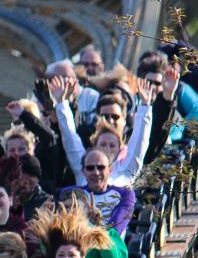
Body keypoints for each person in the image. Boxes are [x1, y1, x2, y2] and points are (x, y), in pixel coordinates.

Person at [49, 75, 153, 213]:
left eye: (112, 145)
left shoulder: (127, 169)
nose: (107, 149)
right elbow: (69, 137)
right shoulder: (85, 167)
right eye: (103, 144)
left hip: (112, 231)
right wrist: (61, 103)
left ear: (120, 148)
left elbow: (141, 140)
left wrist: (145, 106)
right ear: (95, 146)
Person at [60, 188, 128, 258]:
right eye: (66, 207)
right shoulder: (54, 234)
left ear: (87, 210)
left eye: (75, 206)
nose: (70, 211)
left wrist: (99, 228)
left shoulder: (100, 231)